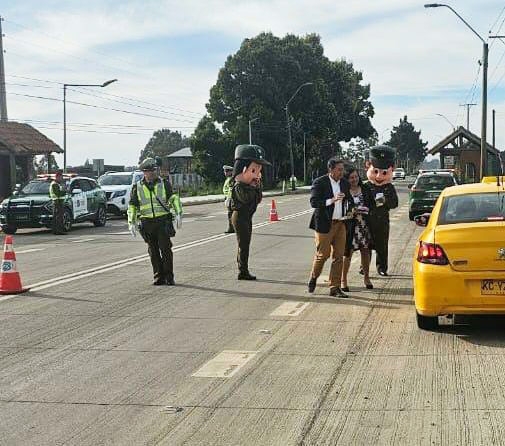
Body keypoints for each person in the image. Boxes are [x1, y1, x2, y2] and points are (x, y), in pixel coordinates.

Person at [127, 158, 183, 286]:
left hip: (162, 221)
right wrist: (131, 222)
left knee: (166, 250)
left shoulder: (164, 183)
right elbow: (132, 205)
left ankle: (169, 276)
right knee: (153, 251)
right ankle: (158, 276)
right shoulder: (137, 187)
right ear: (143, 172)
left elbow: (173, 198)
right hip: (147, 223)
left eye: (153, 170)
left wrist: (179, 213)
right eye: (148, 171)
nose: (151, 173)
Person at [307, 158, 355, 298]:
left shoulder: (345, 184)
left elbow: (349, 200)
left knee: (339, 256)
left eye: (343, 169)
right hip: (324, 224)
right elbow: (314, 202)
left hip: (341, 223)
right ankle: (314, 276)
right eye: (339, 169)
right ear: (331, 169)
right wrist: (332, 200)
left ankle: (335, 287)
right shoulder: (320, 182)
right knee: (323, 255)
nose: (342, 172)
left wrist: (351, 209)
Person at [230, 144, 271, 280]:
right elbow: (246, 199)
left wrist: (257, 185)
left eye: (259, 171)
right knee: (243, 244)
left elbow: (258, 199)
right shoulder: (239, 186)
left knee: (246, 244)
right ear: (243, 169)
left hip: (247, 217)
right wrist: (254, 187)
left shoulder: (250, 185)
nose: (257, 175)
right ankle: (243, 271)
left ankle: (243, 269)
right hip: (240, 217)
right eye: (254, 170)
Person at [365, 145, 399, 276]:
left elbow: (395, 203)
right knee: (366, 246)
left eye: (384, 172)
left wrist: (385, 201)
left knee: (382, 246)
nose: (379, 176)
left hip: (382, 221)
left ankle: (382, 268)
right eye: (376, 171)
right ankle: (364, 267)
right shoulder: (366, 186)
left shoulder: (389, 187)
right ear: (368, 167)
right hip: (367, 220)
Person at [341, 167, 374, 291]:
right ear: (346, 179)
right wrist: (351, 212)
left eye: (356, 176)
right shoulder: (344, 191)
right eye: (351, 177)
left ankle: (366, 277)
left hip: (364, 226)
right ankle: (343, 280)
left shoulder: (365, 188)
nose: (354, 179)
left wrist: (367, 209)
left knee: (365, 251)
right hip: (350, 227)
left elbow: (372, 204)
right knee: (347, 254)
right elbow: (341, 208)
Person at [49, 170, 67, 235]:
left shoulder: (58, 184)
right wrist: (64, 191)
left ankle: (58, 230)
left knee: (59, 217)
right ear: (57, 177)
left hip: (59, 202)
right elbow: (58, 193)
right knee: (58, 217)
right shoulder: (54, 184)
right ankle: (58, 231)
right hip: (57, 202)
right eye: (60, 177)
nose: (61, 178)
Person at [222, 165, 234, 233]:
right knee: (231, 214)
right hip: (228, 198)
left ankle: (231, 229)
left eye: (227, 171)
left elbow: (231, 190)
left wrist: (229, 198)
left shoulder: (231, 179)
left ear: (231, 172)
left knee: (230, 214)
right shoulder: (228, 179)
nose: (225, 173)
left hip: (230, 199)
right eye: (225, 171)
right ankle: (232, 228)